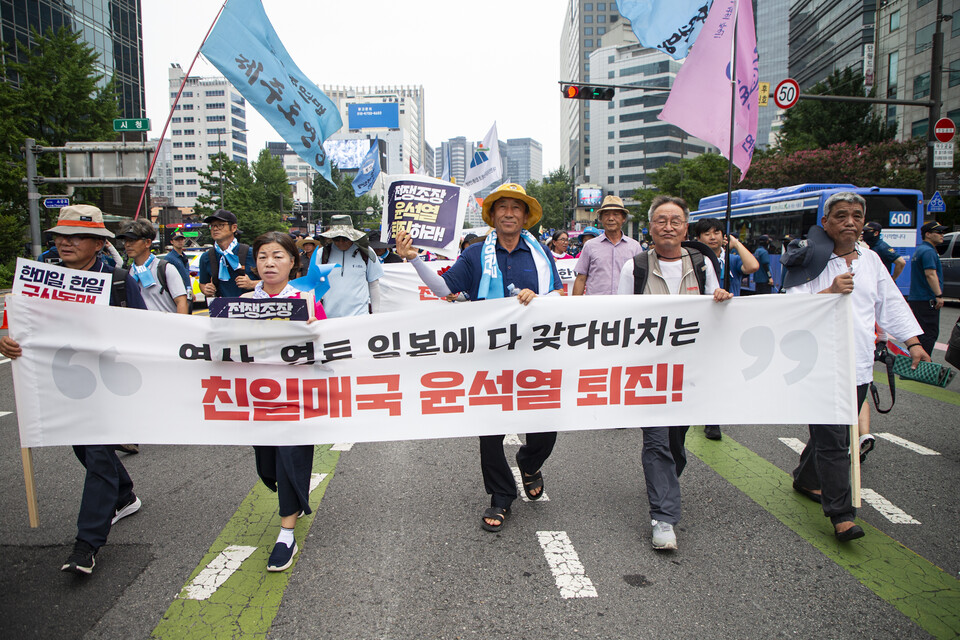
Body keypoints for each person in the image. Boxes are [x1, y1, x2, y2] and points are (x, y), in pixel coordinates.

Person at [395, 182, 563, 533]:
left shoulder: (540, 253)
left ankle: (530, 464)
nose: (509, 213)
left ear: (525, 216)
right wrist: (413, 259)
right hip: (489, 357)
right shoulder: (474, 255)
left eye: (516, 208)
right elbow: (444, 290)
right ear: (493, 215)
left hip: (535, 355)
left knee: (545, 427)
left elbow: (558, 294)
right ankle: (501, 496)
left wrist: (542, 298)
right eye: (502, 207)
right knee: (489, 432)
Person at [0, 205, 148, 575]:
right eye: (59, 236)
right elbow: (18, 326)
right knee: (82, 447)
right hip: (61, 381)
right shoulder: (40, 279)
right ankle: (124, 494)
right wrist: (7, 343)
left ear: (98, 244)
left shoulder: (117, 280)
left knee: (97, 454)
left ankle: (87, 545)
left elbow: (148, 329)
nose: (64, 242)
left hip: (108, 382)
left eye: (76, 235)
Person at [782, 192, 929, 542]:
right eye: (842, 215)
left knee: (827, 435)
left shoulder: (872, 260)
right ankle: (842, 515)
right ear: (826, 223)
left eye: (857, 215)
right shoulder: (808, 260)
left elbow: (889, 303)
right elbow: (789, 312)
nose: (851, 221)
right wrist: (830, 291)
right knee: (835, 441)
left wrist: (913, 342)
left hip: (860, 364)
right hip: (819, 365)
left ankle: (805, 479)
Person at [617, 195, 732, 550]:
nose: (668, 227)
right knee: (656, 441)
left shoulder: (700, 263)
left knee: (675, 445)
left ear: (685, 227)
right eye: (661, 220)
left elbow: (716, 305)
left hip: (689, 371)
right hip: (649, 372)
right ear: (650, 227)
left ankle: (664, 482)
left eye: (676, 221)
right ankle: (663, 518)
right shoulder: (634, 268)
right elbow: (618, 317)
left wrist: (722, 299)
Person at [239, 232, 324, 571]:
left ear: (293, 262)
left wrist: (316, 329)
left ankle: (286, 532)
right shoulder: (241, 303)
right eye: (262, 256)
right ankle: (292, 499)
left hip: (295, 397)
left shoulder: (306, 301)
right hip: (257, 398)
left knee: (291, 457)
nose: (269, 263)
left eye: (277, 256)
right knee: (268, 465)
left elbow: (328, 348)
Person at [692, 218, 760, 440]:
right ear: (698, 238)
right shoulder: (695, 261)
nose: (712, 237)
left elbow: (752, 266)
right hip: (705, 323)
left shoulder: (730, 261)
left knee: (725, 369)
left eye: (717, 232)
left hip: (731, 323)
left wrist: (736, 245)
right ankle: (711, 418)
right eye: (707, 233)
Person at [573, 195, 642, 296]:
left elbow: (640, 279)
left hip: (625, 306)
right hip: (596, 306)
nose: (611, 219)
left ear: (623, 218)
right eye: (606, 214)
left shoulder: (634, 247)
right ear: (600, 219)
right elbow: (581, 278)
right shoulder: (590, 246)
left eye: (616, 214)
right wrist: (575, 306)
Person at [317, 215, 384, 317]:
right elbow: (313, 285)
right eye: (336, 239)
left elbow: (374, 284)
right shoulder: (322, 254)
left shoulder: (366, 253)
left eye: (345, 238)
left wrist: (376, 314)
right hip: (329, 319)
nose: (341, 242)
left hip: (359, 318)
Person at [117, 219, 188, 314]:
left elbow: (181, 302)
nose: (127, 245)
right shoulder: (128, 272)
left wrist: (180, 327)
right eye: (125, 241)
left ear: (148, 243)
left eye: (132, 240)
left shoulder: (165, 269)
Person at [907, 221, 948, 356]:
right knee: (930, 333)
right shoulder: (929, 251)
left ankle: (916, 363)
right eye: (939, 232)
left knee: (921, 333)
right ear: (928, 234)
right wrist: (939, 295)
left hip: (918, 298)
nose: (942, 235)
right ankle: (923, 364)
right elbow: (930, 274)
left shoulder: (920, 250)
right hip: (926, 299)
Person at [198, 209, 259, 299]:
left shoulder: (251, 253)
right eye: (212, 226)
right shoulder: (207, 257)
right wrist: (206, 289)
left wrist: (251, 284)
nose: (215, 228)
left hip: (249, 308)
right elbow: (203, 283)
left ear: (234, 228)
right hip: (221, 308)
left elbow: (275, 282)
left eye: (221, 225)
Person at [164, 232, 193, 312]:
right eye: (177, 240)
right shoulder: (169, 258)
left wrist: (191, 290)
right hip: (177, 294)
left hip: (188, 293)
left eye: (182, 239)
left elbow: (186, 275)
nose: (180, 242)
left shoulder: (184, 257)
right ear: (172, 242)